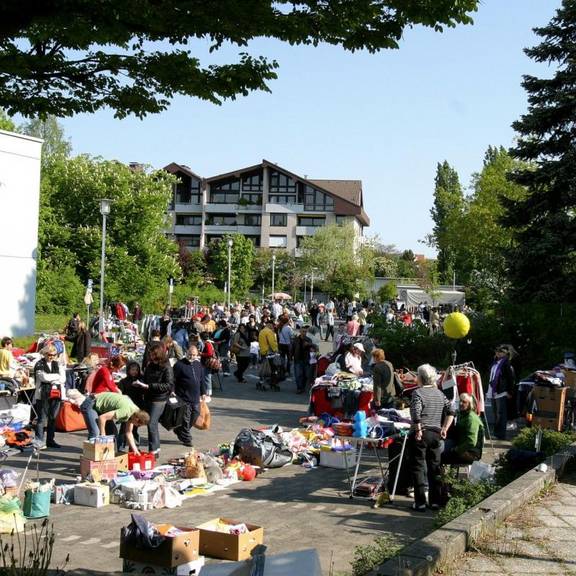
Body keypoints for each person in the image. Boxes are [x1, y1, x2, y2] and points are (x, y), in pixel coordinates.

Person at [410, 364, 456, 511]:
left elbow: (416, 413)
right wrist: (445, 428)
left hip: (422, 433)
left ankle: (420, 502)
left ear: (421, 378)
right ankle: (435, 502)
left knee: (418, 467)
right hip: (436, 434)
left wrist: (417, 430)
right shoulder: (440, 394)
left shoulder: (418, 393)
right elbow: (452, 411)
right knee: (434, 467)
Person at [77, 391, 150, 454]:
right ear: (137, 419)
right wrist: (103, 435)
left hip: (101, 409)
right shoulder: (126, 411)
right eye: (139, 425)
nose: (137, 426)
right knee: (95, 432)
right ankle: (91, 457)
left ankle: (110, 456)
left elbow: (128, 432)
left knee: (113, 433)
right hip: (91, 404)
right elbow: (102, 418)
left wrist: (135, 450)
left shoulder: (135, 413)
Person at [141, 341, 174, 455]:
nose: (150, 356)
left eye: (152, 354)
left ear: (158, 354)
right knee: (152, 424)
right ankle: (156, 449)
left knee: (152, 424)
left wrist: (150, 386)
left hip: (159, 399)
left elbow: (169, 385)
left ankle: (153, 450)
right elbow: (145, 378)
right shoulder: (150, 365)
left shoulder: (166, 367)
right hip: (149, 397)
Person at [173, 345, 207, 447]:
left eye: (194, 355)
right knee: (186, 418)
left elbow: (201, 380)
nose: (192, 357)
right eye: (190, 354)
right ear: (186, 353)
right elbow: (173, 380)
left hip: (195, 397)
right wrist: (172, 391)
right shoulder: (179, 365)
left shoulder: (198, 365)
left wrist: (203, 392)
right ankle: (187, 439)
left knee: (195, 415)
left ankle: (179, 430)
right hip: (183, 397)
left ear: (197, 355)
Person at [34, 345, 66, 449]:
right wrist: (56, 377)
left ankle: (50, 440)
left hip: (56, 394)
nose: (52, 357)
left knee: (53, 418)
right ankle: (39, 441)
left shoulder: (57, 364)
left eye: (54, 355)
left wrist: (53, 378)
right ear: (45, 354)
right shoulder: (39, 364)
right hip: (42, 395)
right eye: (49, 355)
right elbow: (43, 377)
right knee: (42, 419)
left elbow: (63, 379)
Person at [442, 393, 484, 465]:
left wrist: (456, 450)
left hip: (471, 453)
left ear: (470, 404)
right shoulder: (463, 414)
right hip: (462, 446)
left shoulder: (471, 418)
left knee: (438, 454)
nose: (461, 403)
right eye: (460, 401)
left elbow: (471, 441)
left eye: (464, 402)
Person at [488, 345, 516, 441]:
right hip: (493, 391)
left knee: (501, 414)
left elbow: (511, 379)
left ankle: (500, 435)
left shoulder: (506, 364)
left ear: (505, 354)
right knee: (496, 413)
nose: (498, 353)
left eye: (500, 351)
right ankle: (496, 433)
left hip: (502, 392)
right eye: (497, 351)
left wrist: (509, 392)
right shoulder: (495, 363)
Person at [117, 361, 146, 450]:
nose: (134, 372)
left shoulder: (141, 381)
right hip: (126, 408)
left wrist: (140, 386)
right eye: (132, 370)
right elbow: (120, 394)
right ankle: (120, 448)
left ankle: (134, 448)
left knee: (134, 429)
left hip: (137, 408)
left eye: (136, 370)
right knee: (123, 429)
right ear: (128, 370)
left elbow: (145, 392)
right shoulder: (123, 381)